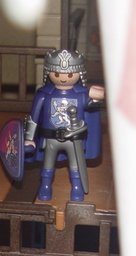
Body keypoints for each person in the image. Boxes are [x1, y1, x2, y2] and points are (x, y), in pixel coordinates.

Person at [24, 49, 105, 202]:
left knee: (75, 166)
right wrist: (29, 138)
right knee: (48, 165)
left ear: (79, 74)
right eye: (57, 74)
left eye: (69, 75)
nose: (62, 78)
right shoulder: (44, 94)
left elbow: (91, 105)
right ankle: (45, 187)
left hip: (74, 139)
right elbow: (33, 118)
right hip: (50, 138)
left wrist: (97, 98)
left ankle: (76, 189)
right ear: (49, 73)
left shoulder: (81, 94)